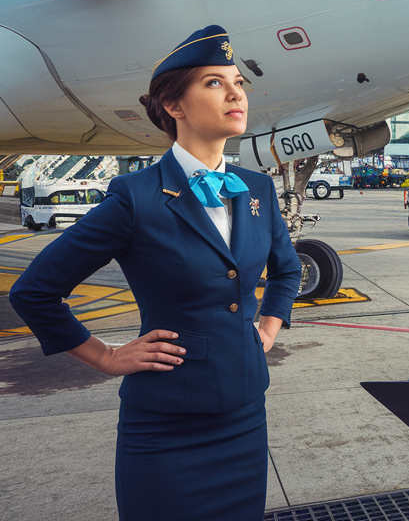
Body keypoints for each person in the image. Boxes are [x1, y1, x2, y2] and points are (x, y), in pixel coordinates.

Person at [8, 26, 302, 520]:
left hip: (246, 415)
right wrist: (104, 357)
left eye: (239, 82)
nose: (235, 93)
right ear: (174, 106)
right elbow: (35, 291)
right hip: (168, 427)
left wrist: (267, 331)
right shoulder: (136, 196)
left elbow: (287, 270)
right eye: (214, 82)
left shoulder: (256, 189)